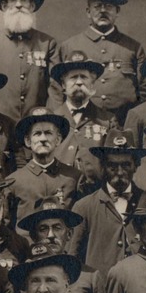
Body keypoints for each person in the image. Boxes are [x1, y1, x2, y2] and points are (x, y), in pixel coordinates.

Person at [0, 0, 58, 123]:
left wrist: (49, 121)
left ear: (32, 6)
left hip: (37, 126)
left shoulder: (47, 43)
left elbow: (54, 90)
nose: (18, 4)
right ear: (4, 6)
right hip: (1, 127)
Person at [60, 0, 144, 116]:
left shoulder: (133, 47)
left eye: (109, 6)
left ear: (118, 11)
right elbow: (58, 91)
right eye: (97, 6)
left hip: (123, 124)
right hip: (84, 122)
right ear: (88, 12)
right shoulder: (69, 46)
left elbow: (145, 91)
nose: (103, 11)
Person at [73, 131, 145, 277]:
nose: (119, 172)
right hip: (101, 292)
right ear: (103, 167)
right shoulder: (84, 207)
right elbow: (73, 256)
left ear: (136, 166)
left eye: (126, 165)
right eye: (112, 166)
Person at [48, 52, 117, 193]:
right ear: (63, 84)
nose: (79, 82)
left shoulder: (108, 120)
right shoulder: (51, 121)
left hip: (97, 193)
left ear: (92, 84)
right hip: (60, 194)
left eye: (84, 77)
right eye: (73, 77)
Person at [4, 106, 81, 228]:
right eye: (37, 133)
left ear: (58, 139)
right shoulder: (13, 182)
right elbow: (7, 227)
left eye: (48, 133)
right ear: (28, 141)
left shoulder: (73, 177)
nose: (43, 139)